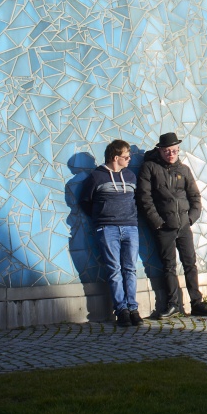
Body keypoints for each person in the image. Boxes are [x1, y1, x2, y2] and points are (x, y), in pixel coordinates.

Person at [136, 131, 207, 317]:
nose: (171, 154)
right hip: (164, 227)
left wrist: (190, 219)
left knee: (190, 264)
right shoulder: (149, 168)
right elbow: (144, 198)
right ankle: (173, 304)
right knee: (168, 266)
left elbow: (195, 196)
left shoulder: (184, 169)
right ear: (160, 150)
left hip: (184, 225)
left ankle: (197, 303)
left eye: (174, 150)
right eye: (167, 151)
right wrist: (158, 223)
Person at [79, 139, 142, 326]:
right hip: (107, 229)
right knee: (114, 270)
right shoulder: (96, 177)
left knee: (130, 269)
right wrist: (101, 218)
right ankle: (121, 310)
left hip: (130, 227)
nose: (129, 159)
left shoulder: (130, 176)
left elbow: (136, 199)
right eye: (126, 156)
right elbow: (85, 201)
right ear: (115, 157)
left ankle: (133, 308)